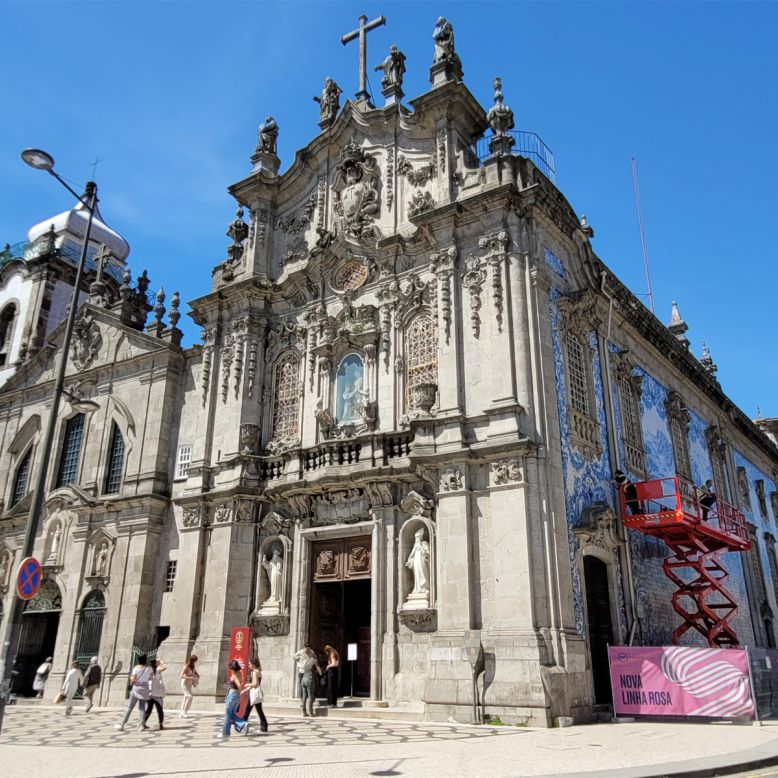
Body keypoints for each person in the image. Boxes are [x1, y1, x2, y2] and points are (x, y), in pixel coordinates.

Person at [115, 654, 152, 731]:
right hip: (145, 689)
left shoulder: (136, 668)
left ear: (139, 661)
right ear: (145, 661)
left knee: (130, 707)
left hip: (136, 689)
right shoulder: (149, 668)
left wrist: (130, 677)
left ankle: (122, 724)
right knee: (142, 707)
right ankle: (141, 725)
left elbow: (133, 679)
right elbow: (150, 677)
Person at [293, 646, 318, 718]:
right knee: (305, 692)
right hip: (302, 672)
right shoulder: (300, 652)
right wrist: (299, 662)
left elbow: (315, 658)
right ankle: (307, 711)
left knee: (308, 693)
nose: (307, 651)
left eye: (309, 649)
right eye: (306, 649)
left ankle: (307, 709)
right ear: (304, 648)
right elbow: (294, 657)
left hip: (308, 673)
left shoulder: (312, 652)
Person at [143, 657, 167, 730]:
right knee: (160, 710)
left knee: (149, 710)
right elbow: (165, 667)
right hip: (157, 693)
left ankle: (142, 723)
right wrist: (161, 661)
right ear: (156, 664)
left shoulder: (148, 671)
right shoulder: (157, 670)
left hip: (150, 693)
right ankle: (160, 724)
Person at [246, 657, 268, 732]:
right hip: (257, 693)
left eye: (249, 664)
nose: (248, 665)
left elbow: (255, 684)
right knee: (259, 711)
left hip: (254, 693)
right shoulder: (258, 671)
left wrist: (247, 685)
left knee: (247, 710)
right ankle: (264, 726)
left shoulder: (254, 672)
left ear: (253, 664)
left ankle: (241, 725)